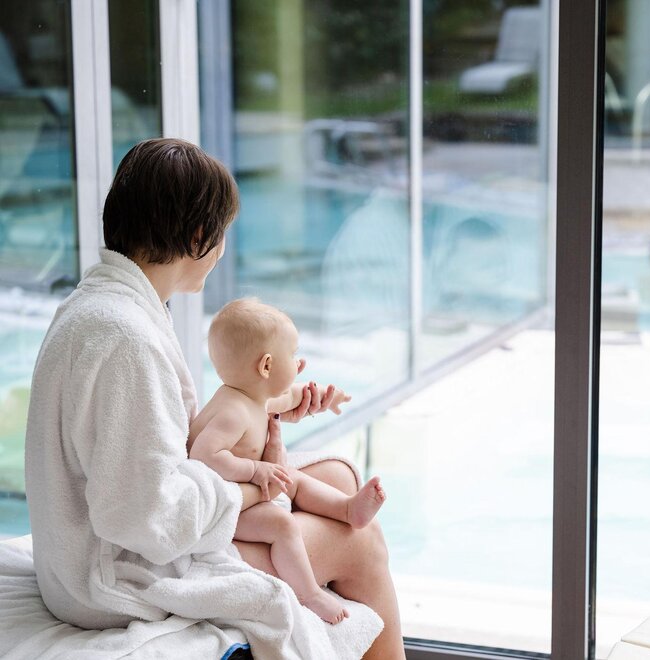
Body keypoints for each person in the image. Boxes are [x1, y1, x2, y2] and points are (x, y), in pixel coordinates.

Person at [24, 138, 404, 658]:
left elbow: (149, 445)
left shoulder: (102, 306)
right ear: (199, 236)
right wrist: (251, 487)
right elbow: (147, 518)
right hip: (114, 577)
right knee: (362, 542)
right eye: (221, 234)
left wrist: (261, 407)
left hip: (97, 547)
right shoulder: (126, 339)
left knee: (338, 478)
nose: (222, 249)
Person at [189, 298, 386, 624]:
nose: (300, 363)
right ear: (266, 367)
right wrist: (255, 469)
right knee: (282, 525)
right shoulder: (233, 412)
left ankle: (347, 509)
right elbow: (203, 456)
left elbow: (291, 395)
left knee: (294, 479)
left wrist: (324, 397)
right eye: (293, 356)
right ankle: (309, 594)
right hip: (224, 512)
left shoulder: (252, 396)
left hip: (248, 490)